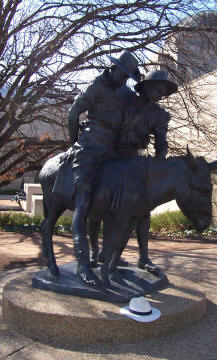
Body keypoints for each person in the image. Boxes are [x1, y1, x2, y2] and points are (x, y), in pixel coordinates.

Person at [90, 70, 178, 274]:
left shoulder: (159, 115)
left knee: (142, 210)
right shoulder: (124, 97)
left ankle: (143, 257)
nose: (161, 94)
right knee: (96, 202)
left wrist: (158, 165)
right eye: (158, 88)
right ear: (147, 86)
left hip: (131, 161)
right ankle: (96, 251)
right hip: (108, 155)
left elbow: (161, 143)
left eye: (164, 91)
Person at [68, 50, 141, 286]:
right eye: (123, 74)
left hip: (114, 151)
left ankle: (108, 256)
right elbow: (73, 113)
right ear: (114, 68)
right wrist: (74, 144)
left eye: (128, 76)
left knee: (121, 198)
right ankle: (82, 262)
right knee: (84, 200)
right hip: (90, 147)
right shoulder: (96, 86)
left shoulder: (126, 92)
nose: (124, 79)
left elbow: (141, 106)